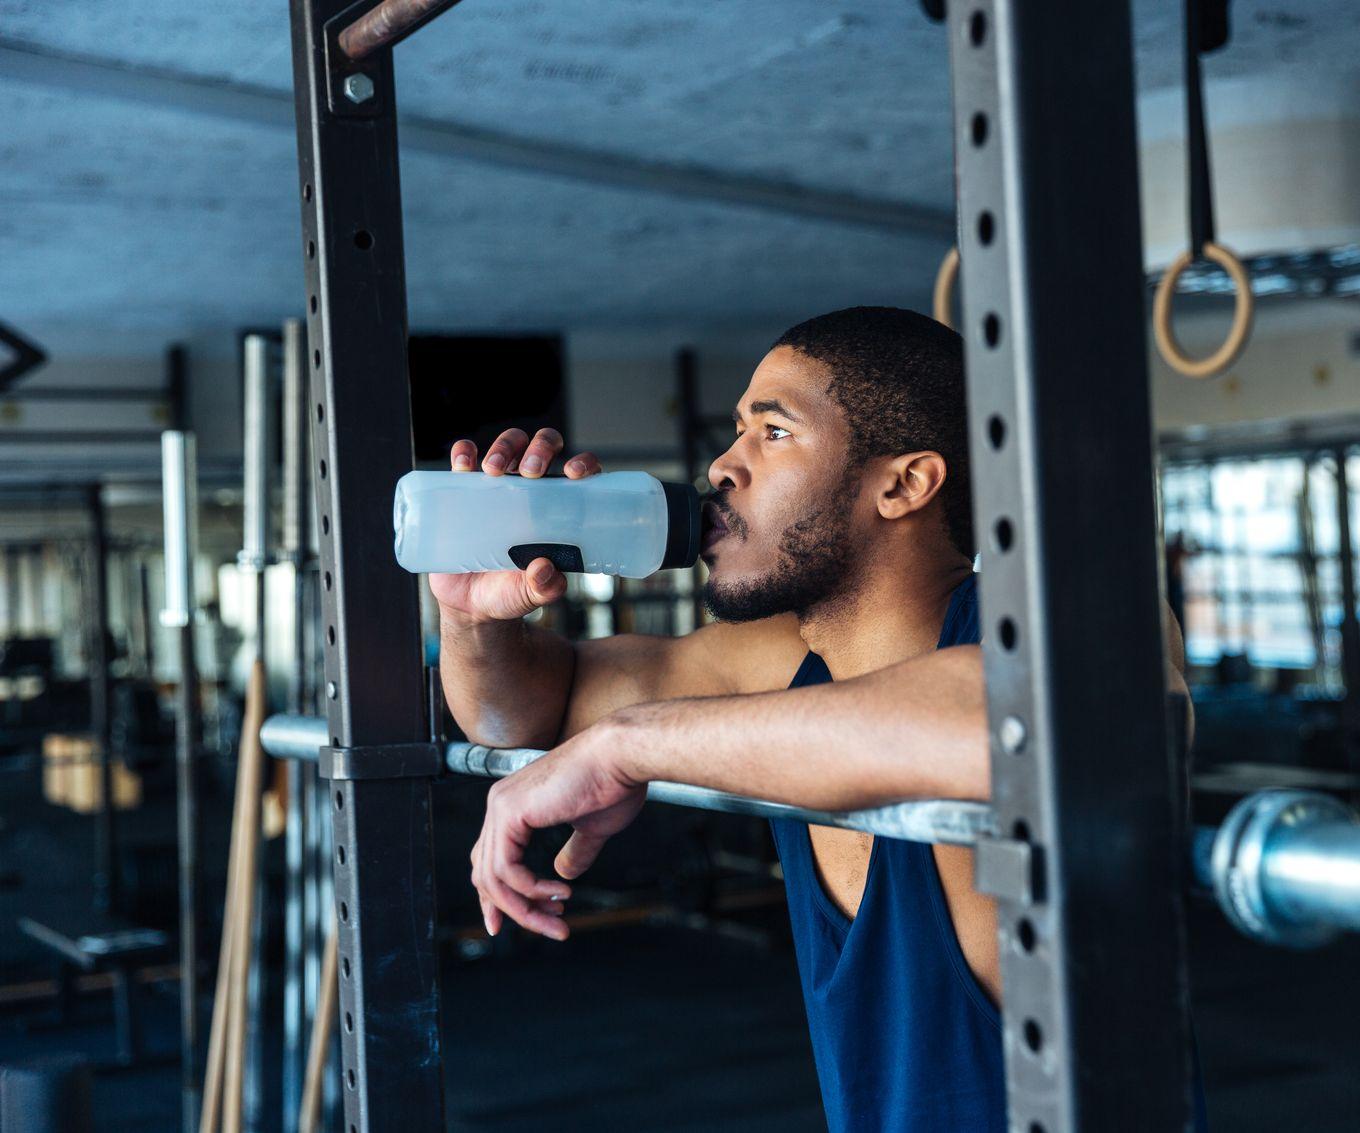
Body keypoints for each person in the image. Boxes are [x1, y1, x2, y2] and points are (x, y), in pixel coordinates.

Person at [440, 306, 1189, 1130]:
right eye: (735, 430)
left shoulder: (1082, 612)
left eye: (773, 431)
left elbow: (1035, 719)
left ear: (902, 484)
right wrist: (478, 620)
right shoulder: (772, 662)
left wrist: (632, 744)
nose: (724, 465)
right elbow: (521, 714)